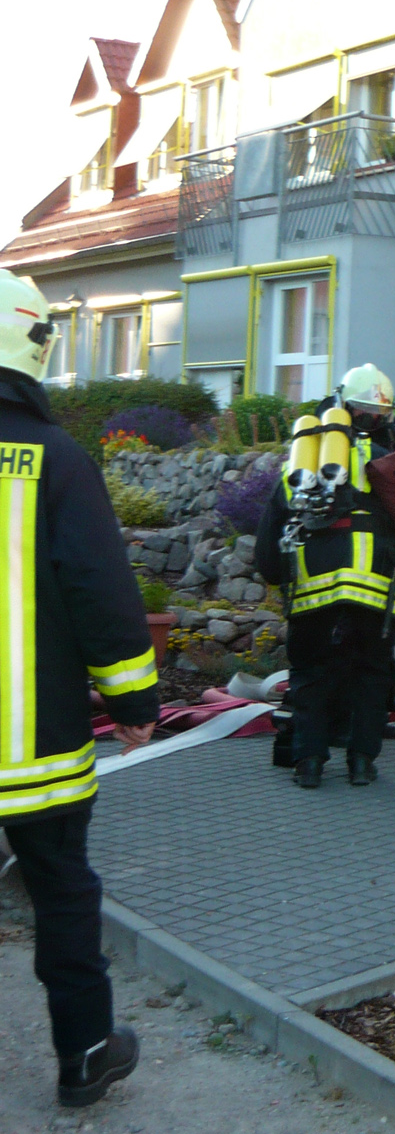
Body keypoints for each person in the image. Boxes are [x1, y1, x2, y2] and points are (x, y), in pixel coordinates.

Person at [0, 268, 158, 1108]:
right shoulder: (52, 459)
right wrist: (135, 703)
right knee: (63, 897)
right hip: (35, 751)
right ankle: (87, 1055)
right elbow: (101, 590)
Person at [257, 364, 395, 789]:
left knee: (311, 672)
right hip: (374, 589)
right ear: (384, 416)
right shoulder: (386, 463)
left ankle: (310, 764)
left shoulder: (303, 464)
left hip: (311, 589)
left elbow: (270, 535)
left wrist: (277, 576)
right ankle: (361, 763)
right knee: (370, 671)